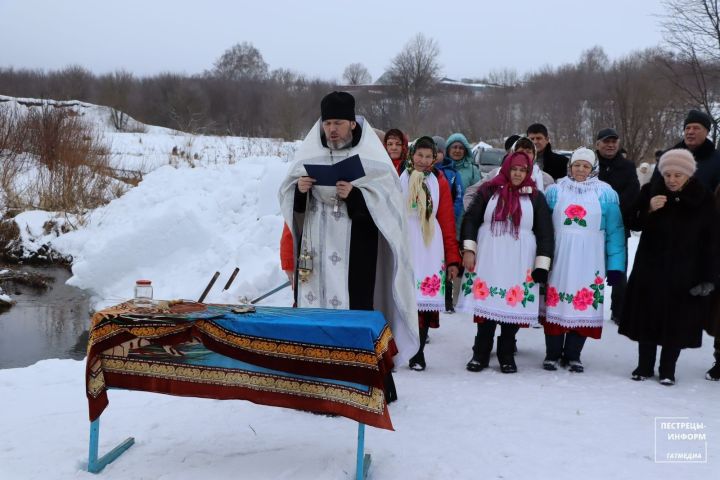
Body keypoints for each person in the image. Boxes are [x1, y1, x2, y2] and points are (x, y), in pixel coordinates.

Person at [278, 91, 419, 368]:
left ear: (352, 123)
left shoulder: (372, 158)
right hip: (316, 250)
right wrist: (300, 191)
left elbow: (389, 207)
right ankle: (317, 373)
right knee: (315, 312)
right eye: (327, 123)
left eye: (338, 123)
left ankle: (358, 373)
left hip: (357, 250)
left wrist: (356, 196)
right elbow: (289, 201)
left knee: (355, 310)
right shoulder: (309, 154)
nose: (332, 129)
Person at [619, 149, 719, 385]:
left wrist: (708, 276)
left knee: (676, 320)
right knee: (647, 316)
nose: (672, 180)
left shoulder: (703, 198)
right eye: (668, 175)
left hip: (685, 271)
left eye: (678, 175)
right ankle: (644, 366)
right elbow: (631, 221)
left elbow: (711, 241)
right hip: (650, 268)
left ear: (689, 175)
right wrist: (649, 209)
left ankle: (667, 369)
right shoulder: (651, 191)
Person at [458, 152, 554, 373]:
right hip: (489, 256)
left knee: (513, 305)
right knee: (487, 306)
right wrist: (469, 249)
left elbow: (545, 233)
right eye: (514, 169)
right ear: (506, 169)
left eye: (523, 170)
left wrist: (542, 265)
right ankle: (480, 353)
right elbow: (471, 219)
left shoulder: (536, 197)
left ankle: (506, 354)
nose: (518, 174)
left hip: (520, 260)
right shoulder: (489, 190)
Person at [540, 147, 625, 372]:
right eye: (577, 165)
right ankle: (552, 354)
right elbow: (544, 227)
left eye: (585, 166)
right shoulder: (556, 191)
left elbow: (615, 232)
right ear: (570, 166)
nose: (580, 169)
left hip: (590, 259)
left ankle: (573, 354)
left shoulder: (605, 194)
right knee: (556, 303)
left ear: (593, 169)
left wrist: (616, 266)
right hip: (560, 257)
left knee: (583, 304)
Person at [400, 137, 462, 370]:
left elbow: (446, 218)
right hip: (406, 238)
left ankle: (418, 352)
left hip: (429, 243)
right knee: (402, 297)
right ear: (412, 155)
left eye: (429, 156)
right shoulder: (400, 177)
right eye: (420, 155)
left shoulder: (439, 181)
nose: (424, 161)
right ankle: (398, 349)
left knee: (423, 301)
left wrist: (452, 258)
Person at [595, 128, 640, 324]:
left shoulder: (627, 167)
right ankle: (583, 304)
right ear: (597, 144)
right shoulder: (589, 164)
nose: (610, 145)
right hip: (591, 225)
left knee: (619, 270)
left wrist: (612, 211)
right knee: (589, 267)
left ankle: (619, 310)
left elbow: (633, 193)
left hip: (619, 224)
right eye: (606, 141)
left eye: (614, 141)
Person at [652, 109, 720, 193]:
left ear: (706, 132)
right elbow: (653, 188)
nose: (690, 132)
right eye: (687, 128)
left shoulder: (717, 160)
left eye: (696, 128)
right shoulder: (667, 157)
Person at [433, 134, 464, 314]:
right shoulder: (421, 173)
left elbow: (458, 197)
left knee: (447, 260)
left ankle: (447, 299)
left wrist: (451, 214)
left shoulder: (452, 174)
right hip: (427, 223)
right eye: (433, 152)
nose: (436, 156)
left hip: (445, 221)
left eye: (439, 152)